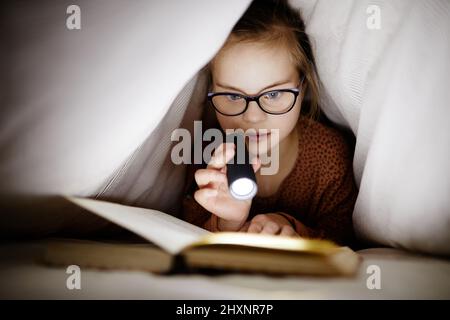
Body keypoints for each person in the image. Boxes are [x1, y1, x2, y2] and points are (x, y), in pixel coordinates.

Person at [182, 0, 357, 246]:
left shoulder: (329, 156)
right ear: (211, 92)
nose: (253, 117)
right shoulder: (209, 151)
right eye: (233, 96)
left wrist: (290, 227)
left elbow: (344, 237)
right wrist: (228, 223)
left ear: (302, 87)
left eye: (273, 95)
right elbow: (185, 229)